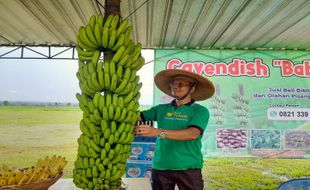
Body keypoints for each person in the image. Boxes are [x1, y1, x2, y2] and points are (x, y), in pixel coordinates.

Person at [134, 69, 215, 190]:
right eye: (173, 84)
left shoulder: (200, 111)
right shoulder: (160, 109)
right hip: (161, 166)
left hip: (188, 167)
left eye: (181, 84)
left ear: (192, 89)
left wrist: (156, 132)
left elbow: (193, 133)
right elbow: (135, 117)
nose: (175, 87)